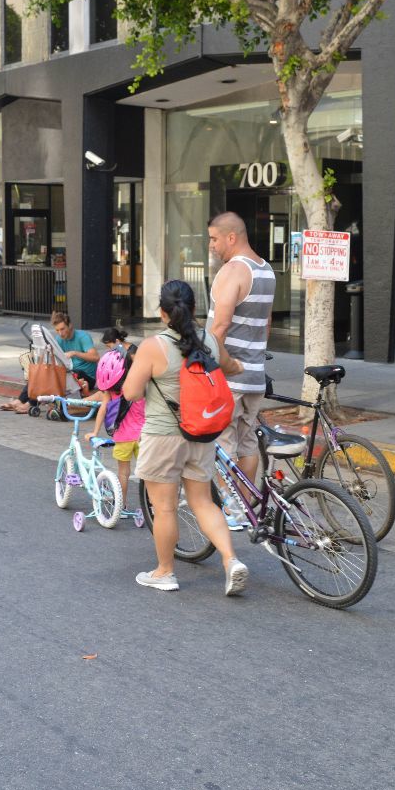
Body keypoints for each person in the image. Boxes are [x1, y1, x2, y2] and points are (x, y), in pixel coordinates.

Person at [122, 279, 248, 596]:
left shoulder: (154, 346)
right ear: (194, 310)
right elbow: (229, 367)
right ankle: (230, 560)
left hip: (164, 435)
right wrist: (241, 365)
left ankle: (165, 572)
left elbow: (130, 392)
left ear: (163, 313)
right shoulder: (209, 339)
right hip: (202, 433)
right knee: (203, 501)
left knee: (164, 509)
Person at [205, 211, 276, 529]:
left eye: (214, 238)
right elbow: (267, 324)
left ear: (231, 237)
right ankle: (244, 506)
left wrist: (209, 366)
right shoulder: (267, 270)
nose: (211, 245)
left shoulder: (233, 271)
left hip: (229, 375)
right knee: (247, 442)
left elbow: (218, 327)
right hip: (254, 375)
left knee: (221, 443)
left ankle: (231, 506)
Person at [0, 311, 100, 413]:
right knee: (41, 374)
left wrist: (74, 353)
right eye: (57, 330)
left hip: (87, 376)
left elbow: (96, 357)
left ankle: (29, 404)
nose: (60, 333)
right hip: (70, 372)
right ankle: (19, 401)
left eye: (62, 329)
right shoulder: (59, 339)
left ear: (70, 325)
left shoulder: (83, 337)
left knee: (66, 373)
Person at [86, 346, 144, 514]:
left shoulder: (111, 390)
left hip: (123, 438)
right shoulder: (139, 385)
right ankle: (153, 506)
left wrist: (95, 432)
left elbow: (103, 410)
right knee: (149, 474)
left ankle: (122, 505)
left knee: (123, 474)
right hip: (143, 436)